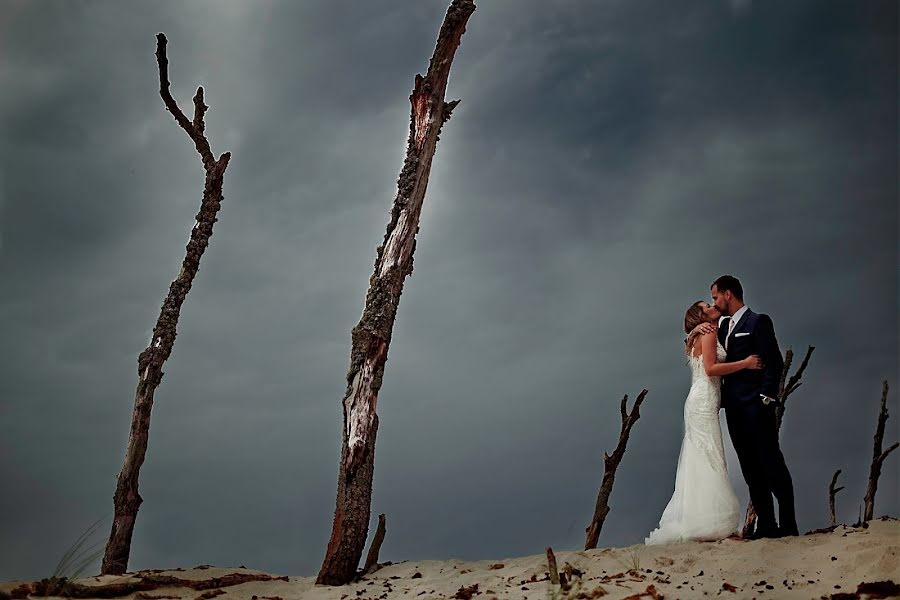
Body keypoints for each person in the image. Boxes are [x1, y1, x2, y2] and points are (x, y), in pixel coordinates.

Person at [645, 300, 762, 545]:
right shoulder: (707, 335)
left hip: (700, 399)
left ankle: (702, 519)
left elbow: (693, 351)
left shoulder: (703, 335)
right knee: (710, 456)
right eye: (706, 305)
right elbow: (710, 368)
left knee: (702, 456)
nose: (712, 305)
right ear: (701, 315)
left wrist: (692, 334)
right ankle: (711, 523)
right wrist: (746, 364)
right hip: (704, 399)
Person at [707, 274, 798, 538]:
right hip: (734, 411)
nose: (714, 302)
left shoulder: (758, 321)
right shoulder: (722, 328)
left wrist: (766, 398)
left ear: (728, 294)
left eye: (715, 297)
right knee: (750, 469)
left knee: (772, 464)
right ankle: (767, 525)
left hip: (757, 408)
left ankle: (789, 524)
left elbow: (775, 362)